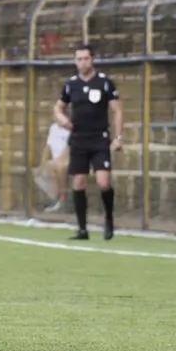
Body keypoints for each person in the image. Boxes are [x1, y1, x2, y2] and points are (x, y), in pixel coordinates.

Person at [54, 44, 123, 241]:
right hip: (79, 139)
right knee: (79, 182)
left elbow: (117, 110)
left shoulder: (105, 83)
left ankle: (109, 219)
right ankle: (82, 229)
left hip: (99, 138)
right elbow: (58, 108)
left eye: (86, 58)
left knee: (104, 181)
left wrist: (118, 137)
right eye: (79, 59)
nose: (82, 62)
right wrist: (63, 120)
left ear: (92, 60)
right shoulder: (71, 84)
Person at [34, 122, 70, 213]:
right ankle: (56, 199)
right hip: (55, 161)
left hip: (68, 160)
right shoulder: (53, 128)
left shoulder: (71, 127)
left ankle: (62, 199)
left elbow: (69, 149)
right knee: (37, 173)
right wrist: (41, 165)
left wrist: (58, 160)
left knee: (57, 166)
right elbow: (48, 147)